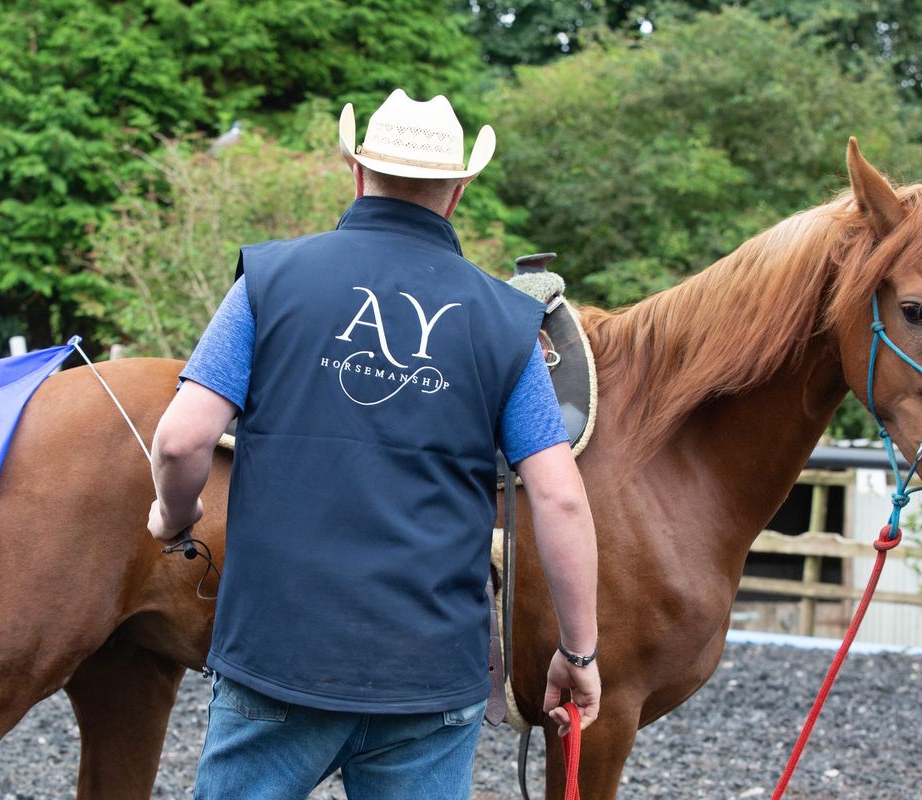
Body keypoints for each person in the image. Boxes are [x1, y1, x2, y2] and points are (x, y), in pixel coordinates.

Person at [147, 88, 599, 800]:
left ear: (357, 174)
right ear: (457, 191)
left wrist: (172, 518)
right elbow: (562, 498)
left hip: (277, 658)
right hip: (428, 676)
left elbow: (180, 440)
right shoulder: (508, 320)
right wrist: (579, 651)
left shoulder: (270, 280)